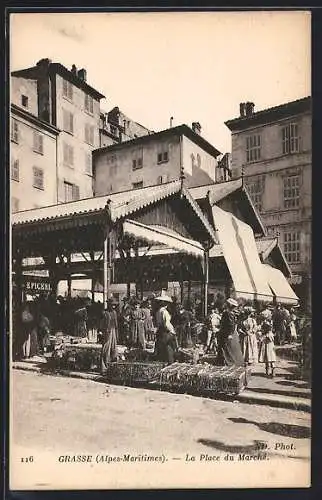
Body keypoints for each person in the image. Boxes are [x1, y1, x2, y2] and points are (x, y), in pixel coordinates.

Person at [216, 298, 244, 367]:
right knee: (230, 348)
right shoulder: (231, 313)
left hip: (227, 333)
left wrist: (230, 334)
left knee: (227, 348)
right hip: (229, 333)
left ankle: (228, 362)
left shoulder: (228, 313)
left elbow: (231, 324)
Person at [154, 291, 178, 364]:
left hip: (160, 331)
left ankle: (162, 362)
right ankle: (170, 362)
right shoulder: (164, 312)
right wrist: (172, 331)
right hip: (165, 331)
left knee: (161, 347)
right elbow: (167, 323)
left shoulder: (158, 311)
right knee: (169, 347)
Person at [100, 299, 119, 375]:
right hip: (106, 332)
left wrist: (117, 334)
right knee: (106, 349)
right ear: (108, 305)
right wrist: (101, 332)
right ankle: (104, 368)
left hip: (113, 331)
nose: (113, 306)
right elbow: (101, 323)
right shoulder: (104, 313)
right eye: (112, 305)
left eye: (114, 305)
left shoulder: (114, 313)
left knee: (114, 349)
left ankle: (113, 367)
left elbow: (116, 324)